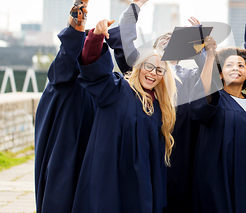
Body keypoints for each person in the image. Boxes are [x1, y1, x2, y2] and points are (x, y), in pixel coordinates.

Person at [105, 0, 205, 213]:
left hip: (181, 150)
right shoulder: (142, 72)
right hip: (144, 146)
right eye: (162, 42)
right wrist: (135, 8)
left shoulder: (190, 77)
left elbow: (209, 79)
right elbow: (126, 44)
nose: (167, 45)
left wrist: (200, 48)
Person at [71, 16, 177, 213]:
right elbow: (94, 70)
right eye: (149, 66)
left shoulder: (160, 108)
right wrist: (96, 37)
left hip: (140, 183)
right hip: (109, 174)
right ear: (139, 67)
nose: (153, 73)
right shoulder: (116, 89)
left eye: (159, 70)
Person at [34, 0, 100, 213]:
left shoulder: (102, 87)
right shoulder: (63, 79)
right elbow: (71, 44)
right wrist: (80, 4)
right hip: (62, 159)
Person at [189, 43, 246, 213]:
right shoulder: (215, 99)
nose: (235, 68)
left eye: (240, 65)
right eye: (228, 65)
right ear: (220, 74)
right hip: (217, 178)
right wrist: (209, 56)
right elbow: (198, 106)